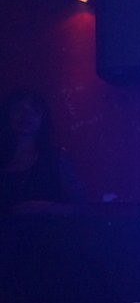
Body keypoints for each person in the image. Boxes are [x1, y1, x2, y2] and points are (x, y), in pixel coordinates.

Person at [0, 88, 86, 217]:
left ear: (43, 118)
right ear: (7, 114)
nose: (26, 115)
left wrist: (47, 208)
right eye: (18, 109)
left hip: (49, 229)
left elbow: (83, 208)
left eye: (34, 110)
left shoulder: (58, 159)